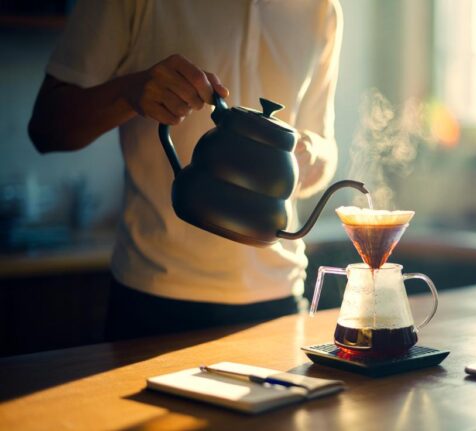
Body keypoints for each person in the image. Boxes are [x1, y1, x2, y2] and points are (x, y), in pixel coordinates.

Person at [28, 0, 342, 340]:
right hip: (156, 297)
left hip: (278, 300)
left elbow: (324, 146)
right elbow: (46, 127)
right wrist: (129, 92)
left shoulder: (321, 8)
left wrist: (309, 153)